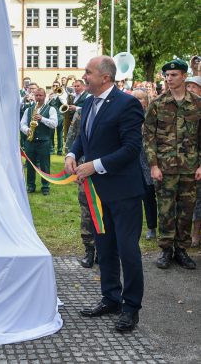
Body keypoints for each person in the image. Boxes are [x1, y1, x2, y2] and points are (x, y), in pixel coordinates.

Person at [65, 56, 145, 332]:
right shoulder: (89, 102)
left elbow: (132, 148)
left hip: (124, 192)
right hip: (98, 193)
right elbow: (83, 137)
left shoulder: (127, 104)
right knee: (105, 247)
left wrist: (95, 166)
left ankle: (131, 307)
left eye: (88, 72)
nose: (83, 76)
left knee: (127, 250)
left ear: (105, 78)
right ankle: (111, 297)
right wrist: (72, 153)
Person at [144, 59, 201, 270]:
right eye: (167, 75)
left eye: (174, 75)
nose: (169, 79)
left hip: (190, 167)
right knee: (166, 210)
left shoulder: (197, 103)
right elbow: (148, 136)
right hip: (165, 168)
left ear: (184, 76)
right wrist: (153, 165)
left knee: (186, 210)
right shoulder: (157, 104)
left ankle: (182, 250)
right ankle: (166, 250)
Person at [64, 103, 96, 268]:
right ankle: (89, 249)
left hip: (107, 170)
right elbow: (73, 137)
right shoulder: (82, 111)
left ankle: (104, 249)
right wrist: (70, 160)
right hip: (83, 169)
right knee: (87, 210)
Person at [131, 89, 158, 240]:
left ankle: (152, 227)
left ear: (146, 101)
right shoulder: (127, 116)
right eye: (134, 98)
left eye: (140, 98)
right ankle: (133, 227)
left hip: (148, 163)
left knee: (149, 196)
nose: (137, 101)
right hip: (131, 164)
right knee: (132, 197)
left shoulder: (152, 115)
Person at [20, 87, 58, 195]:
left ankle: (45, 187)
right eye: (36, 95)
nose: (38, 97)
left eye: (40, 95)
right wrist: (27, 130)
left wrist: (42, 118)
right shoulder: (28, 109)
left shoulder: (51, 109)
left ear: (45, 96)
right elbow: (22, 124)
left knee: (44, 165)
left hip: (44, 141)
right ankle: (30, 186)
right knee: (30, 164)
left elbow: (54, 124)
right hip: (30, 141)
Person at [185, 76, 201, 247]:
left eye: (194, 86)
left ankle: (196, 233)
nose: (190, 89)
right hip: (186, 162)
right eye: (188, 86)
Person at [48, 80, 66, 155]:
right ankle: (51, 149)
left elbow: (65, 104)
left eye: (56, 86)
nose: (55, 87)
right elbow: (47, 106)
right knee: (51, 134)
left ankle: (59, 150)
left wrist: (59, 95)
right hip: (51, 117)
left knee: (59, 134)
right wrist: (49, 98)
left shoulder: (63, 94)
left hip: (60, 116)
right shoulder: (50, 95)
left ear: (59, 86)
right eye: (54, 86)